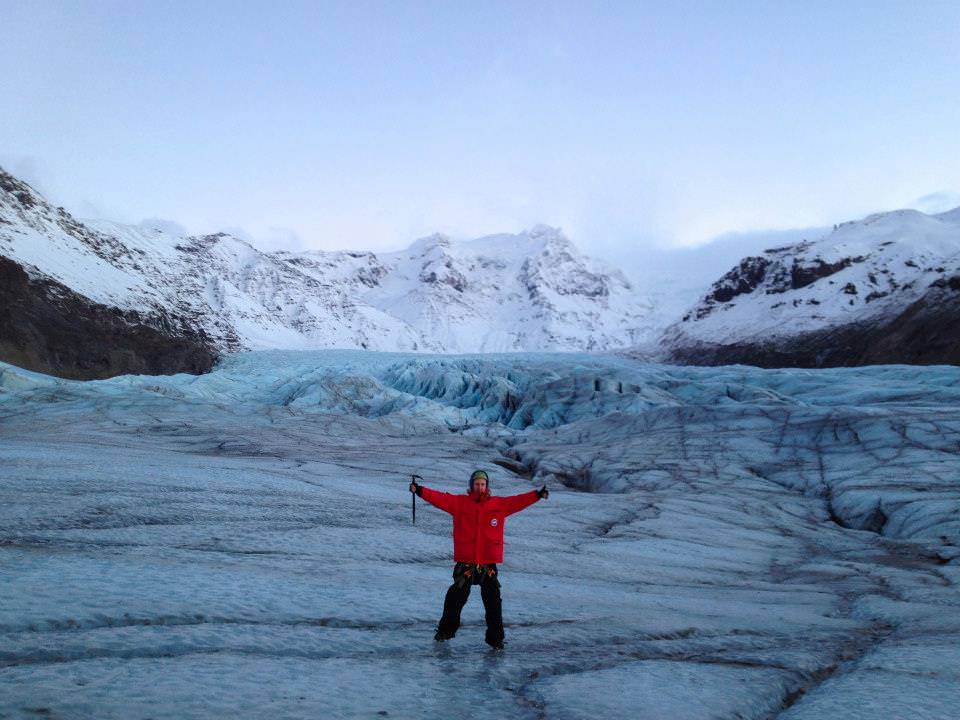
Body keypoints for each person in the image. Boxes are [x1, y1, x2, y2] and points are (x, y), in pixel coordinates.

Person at [409, 469, 549, 650]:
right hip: (466, 562)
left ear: (487, 486)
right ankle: (445, 632)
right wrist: (419, 490)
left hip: (487, 564)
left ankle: (496, 640)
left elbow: (518, 501)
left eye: (483, 484)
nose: (480, 487)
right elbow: (440, 498)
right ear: (471, 485)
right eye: (477, 484)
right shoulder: (460, 503)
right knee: (455, 599)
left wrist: (537, 495)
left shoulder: (499, 504)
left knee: (493, 603)